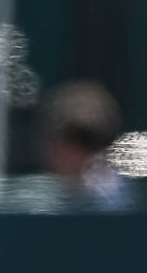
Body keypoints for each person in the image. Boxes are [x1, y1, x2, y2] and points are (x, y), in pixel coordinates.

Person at [39, 79, 128, 208]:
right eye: (71, 138)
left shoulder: (117, 202)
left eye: (88, 141)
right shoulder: (38, 200)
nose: (78, 153)